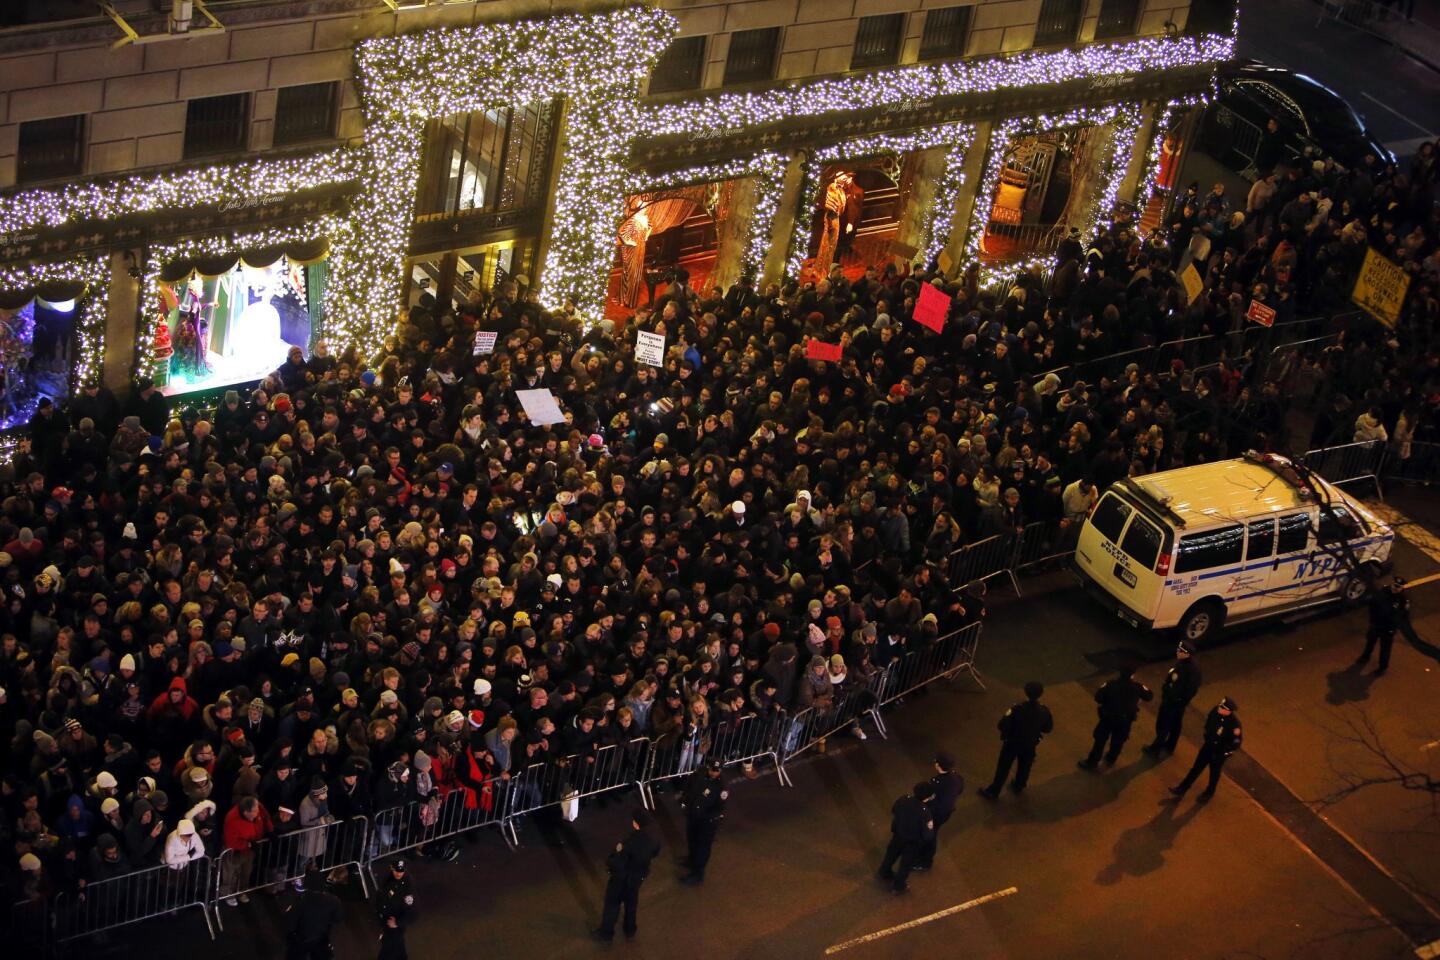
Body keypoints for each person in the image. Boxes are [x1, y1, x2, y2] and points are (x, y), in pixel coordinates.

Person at [593, 810, 661, 942]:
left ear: (637, 824)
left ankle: (606, 933)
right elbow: (655, 853)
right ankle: (630, 929)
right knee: (631, 902)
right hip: (637, 878)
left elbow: (617, 861)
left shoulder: (630, 842)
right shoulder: (654, 839)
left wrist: (610, 860)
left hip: (622, 879)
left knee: (612, 904)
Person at [979, 681, 1053, 799]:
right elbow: (1048, 728)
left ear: (1025, 692)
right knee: (1025, 765)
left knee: (1004, 766)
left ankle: (994, 790)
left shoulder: (1017, 709)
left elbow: (1002, 725)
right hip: (1030, 744)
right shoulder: (1044, 711)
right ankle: (1019, 784)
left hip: (1012, 743)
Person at [1078, 666, 1153, 770]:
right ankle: (1112, 757)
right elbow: (1149, 696)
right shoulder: (1137, 687)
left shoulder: (1110, 684)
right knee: (1119, 739)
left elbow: (1098, 697)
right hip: (1125, 719)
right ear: (1132, 675)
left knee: (1101, 739)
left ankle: (1093, 761)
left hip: (1108, 717)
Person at [1170, 698, 1243, 803]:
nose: (1219, 708)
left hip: (1218, 753)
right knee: (1195, 769)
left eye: (1222, 708)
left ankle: (1209, 792)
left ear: (1228, 711)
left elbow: (1236, 742)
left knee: (1214, 774)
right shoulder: (1215, 711)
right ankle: (1182, 788)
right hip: (1208, 747)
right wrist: (1207, 736)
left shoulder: (1234, 725)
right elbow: (1209, 722)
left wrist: (1225, 752)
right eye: (1220, 706)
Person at [1143, 642, 1202, 757]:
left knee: (1163, 725)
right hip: (1176, 702)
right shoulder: (1185, 665)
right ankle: (1170, 745)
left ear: (1187, 654)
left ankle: (1155, 749)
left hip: (1173, 702)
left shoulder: (1189, 669)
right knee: (1175, 725)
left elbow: (1190, 689)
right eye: (1178, 649)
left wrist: (1178, 699)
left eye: (1180, 651)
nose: (1177, 652)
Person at [876, 781, 934, 894]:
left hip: (898, 835)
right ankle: (898, 886)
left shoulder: (903, 799)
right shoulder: (925, 812)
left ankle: (884, 872)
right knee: (905, 864)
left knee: (891, 854)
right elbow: (928, 833)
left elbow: (894, 810)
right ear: (927, 797)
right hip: (912, 842)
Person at [678, 758, 728, 885]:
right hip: (693, 815)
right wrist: (685, 800)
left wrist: (707, 819)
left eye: (717, 771)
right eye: (712, 769)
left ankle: (698, 874)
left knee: (703, 846)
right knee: (691, 838)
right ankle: (691, 859)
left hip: (706, 822)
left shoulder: (722, 786)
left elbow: (719, 808)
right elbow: (690, 787)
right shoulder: (700, 773)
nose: (714, 773)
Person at [916, 753, 963, 871]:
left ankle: (925, 861)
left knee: (930, 835)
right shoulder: (956, 777)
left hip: (936, 814)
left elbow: (936, 801)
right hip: (945, 813)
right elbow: (960, 789)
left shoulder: (938, 782)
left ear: (938, 766)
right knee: (931, 833)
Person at [285, 868, 343, 960]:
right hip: (321, 938)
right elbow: (337, 918)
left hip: (301, 939)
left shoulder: (301, 903)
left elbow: (290, 924)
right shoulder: (334, 900)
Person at [1355, 576, 1410, 675]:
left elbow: (1404, 616)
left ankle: (1382, 666)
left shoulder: (1402, 600)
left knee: (1385, 649)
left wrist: (1394, 627)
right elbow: (1372, 604)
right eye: (1395, 585)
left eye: (1398, 587)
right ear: (1392, 584)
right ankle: (1365, 657)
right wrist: (1372, 620)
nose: (1395, 588)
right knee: (1370, 642)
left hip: (1388, 628)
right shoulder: (1383, 591)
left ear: (1402, 588)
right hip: (1377, 624)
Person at [376, 858, 415, 960]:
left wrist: (397, 922)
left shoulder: (407, 885)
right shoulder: (388, 879)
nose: (399, 874)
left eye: (401, 871)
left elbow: (412, 910)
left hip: (395, 922)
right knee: (397, 945)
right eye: (396, 871)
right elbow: (383, 896)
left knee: (388, 947)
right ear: (391, 868)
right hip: (386, 919)